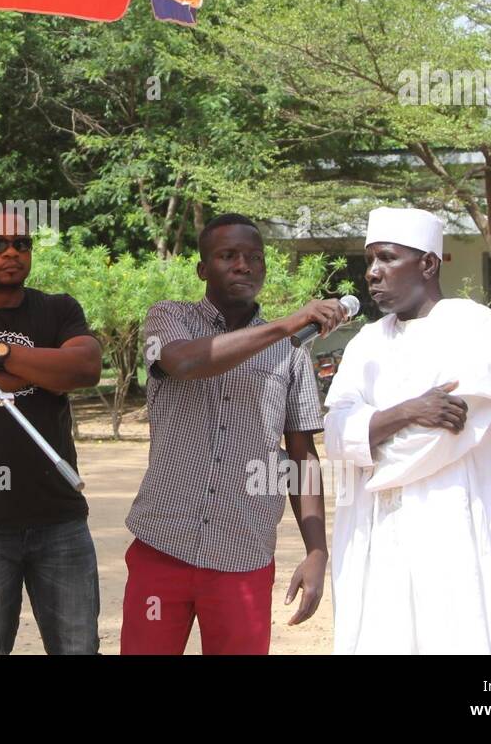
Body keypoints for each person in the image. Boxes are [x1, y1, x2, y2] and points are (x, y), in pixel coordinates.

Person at [121, 213, 349, 655]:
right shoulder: (169, 319)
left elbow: (302, 456)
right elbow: (185, 362)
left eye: (254, 257)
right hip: (162, 543)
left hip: (242, 553)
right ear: (203, 269)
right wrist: (287, 324)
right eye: (228, 256)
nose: (244, 265)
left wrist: (317, 551)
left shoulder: (292, 354)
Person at [323, 207, 491, 654]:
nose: (372, 273)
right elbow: (334, 434)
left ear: (427, 263)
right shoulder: (366, 341)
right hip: (374, 532)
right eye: (369, 260)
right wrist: (408, 411)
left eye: (387, 258)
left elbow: (441, 440)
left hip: (453, 524)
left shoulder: (471, 328)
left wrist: (367, 440)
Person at [0, 207, 103, 654]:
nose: (11, 252)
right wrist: (45, 369)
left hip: (60, 516)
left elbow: (85, 367)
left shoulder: (57, 308)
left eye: (22, 243)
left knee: (78, 647)